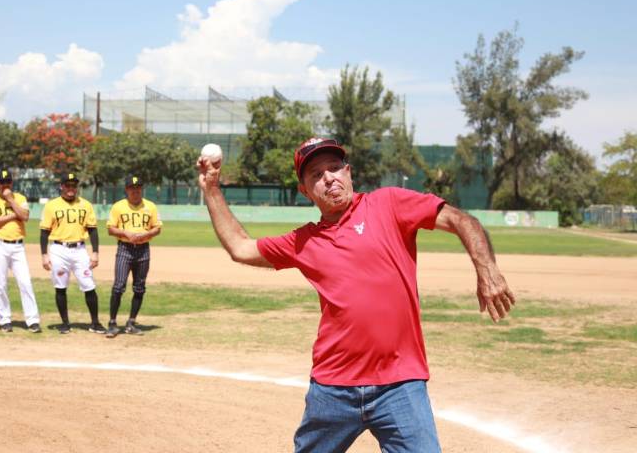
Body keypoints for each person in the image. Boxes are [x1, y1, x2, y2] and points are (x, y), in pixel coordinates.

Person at [196, 137, 516, 453]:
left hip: (400, 385)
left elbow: (462, 220)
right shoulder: (304, 241)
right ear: (305, 191)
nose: (329, 178)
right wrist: (211, 188)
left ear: (348, 172)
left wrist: (486, 268)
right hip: (333, 388)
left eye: (335, 168)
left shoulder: (389, 205)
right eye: (316, 175)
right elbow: (240, 247)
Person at [40, 172, 105, 334]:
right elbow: (44, 232)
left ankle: (95, 323)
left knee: (89, 286)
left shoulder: (85, 205)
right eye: (67, 185)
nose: (71, 188)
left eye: (74, 185)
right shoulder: (51, 205)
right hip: (58, 249)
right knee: (60, 287)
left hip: (79, 250)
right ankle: (65, 323)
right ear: (61, 186)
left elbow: (93, 230)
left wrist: (95, 252)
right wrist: (44, 254)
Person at [0, 169, 41, 333]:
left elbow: (25, 216)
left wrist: (11, 200)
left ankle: (32, 320)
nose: (5, 185)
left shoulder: (20, 198)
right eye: (2, 182)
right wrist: (14, 215)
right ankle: (4, 320)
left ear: (11, 183)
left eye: (7, 182)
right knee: (0, 284)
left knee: (25, 282)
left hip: (17, 246)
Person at [105, 175, 162, 337]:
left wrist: (147, 234)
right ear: (126, 189)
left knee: (139, 287)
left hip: (143, 249)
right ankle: (112, 323)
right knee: (118, 286)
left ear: (141, 189)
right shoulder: (118, 207)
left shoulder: (150, 206)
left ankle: (131, 322)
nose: (135, 191)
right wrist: (125, 233)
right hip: (125, 248)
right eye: (132, 188)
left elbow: (157, 228)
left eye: (138, 188)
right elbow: (110, 229)